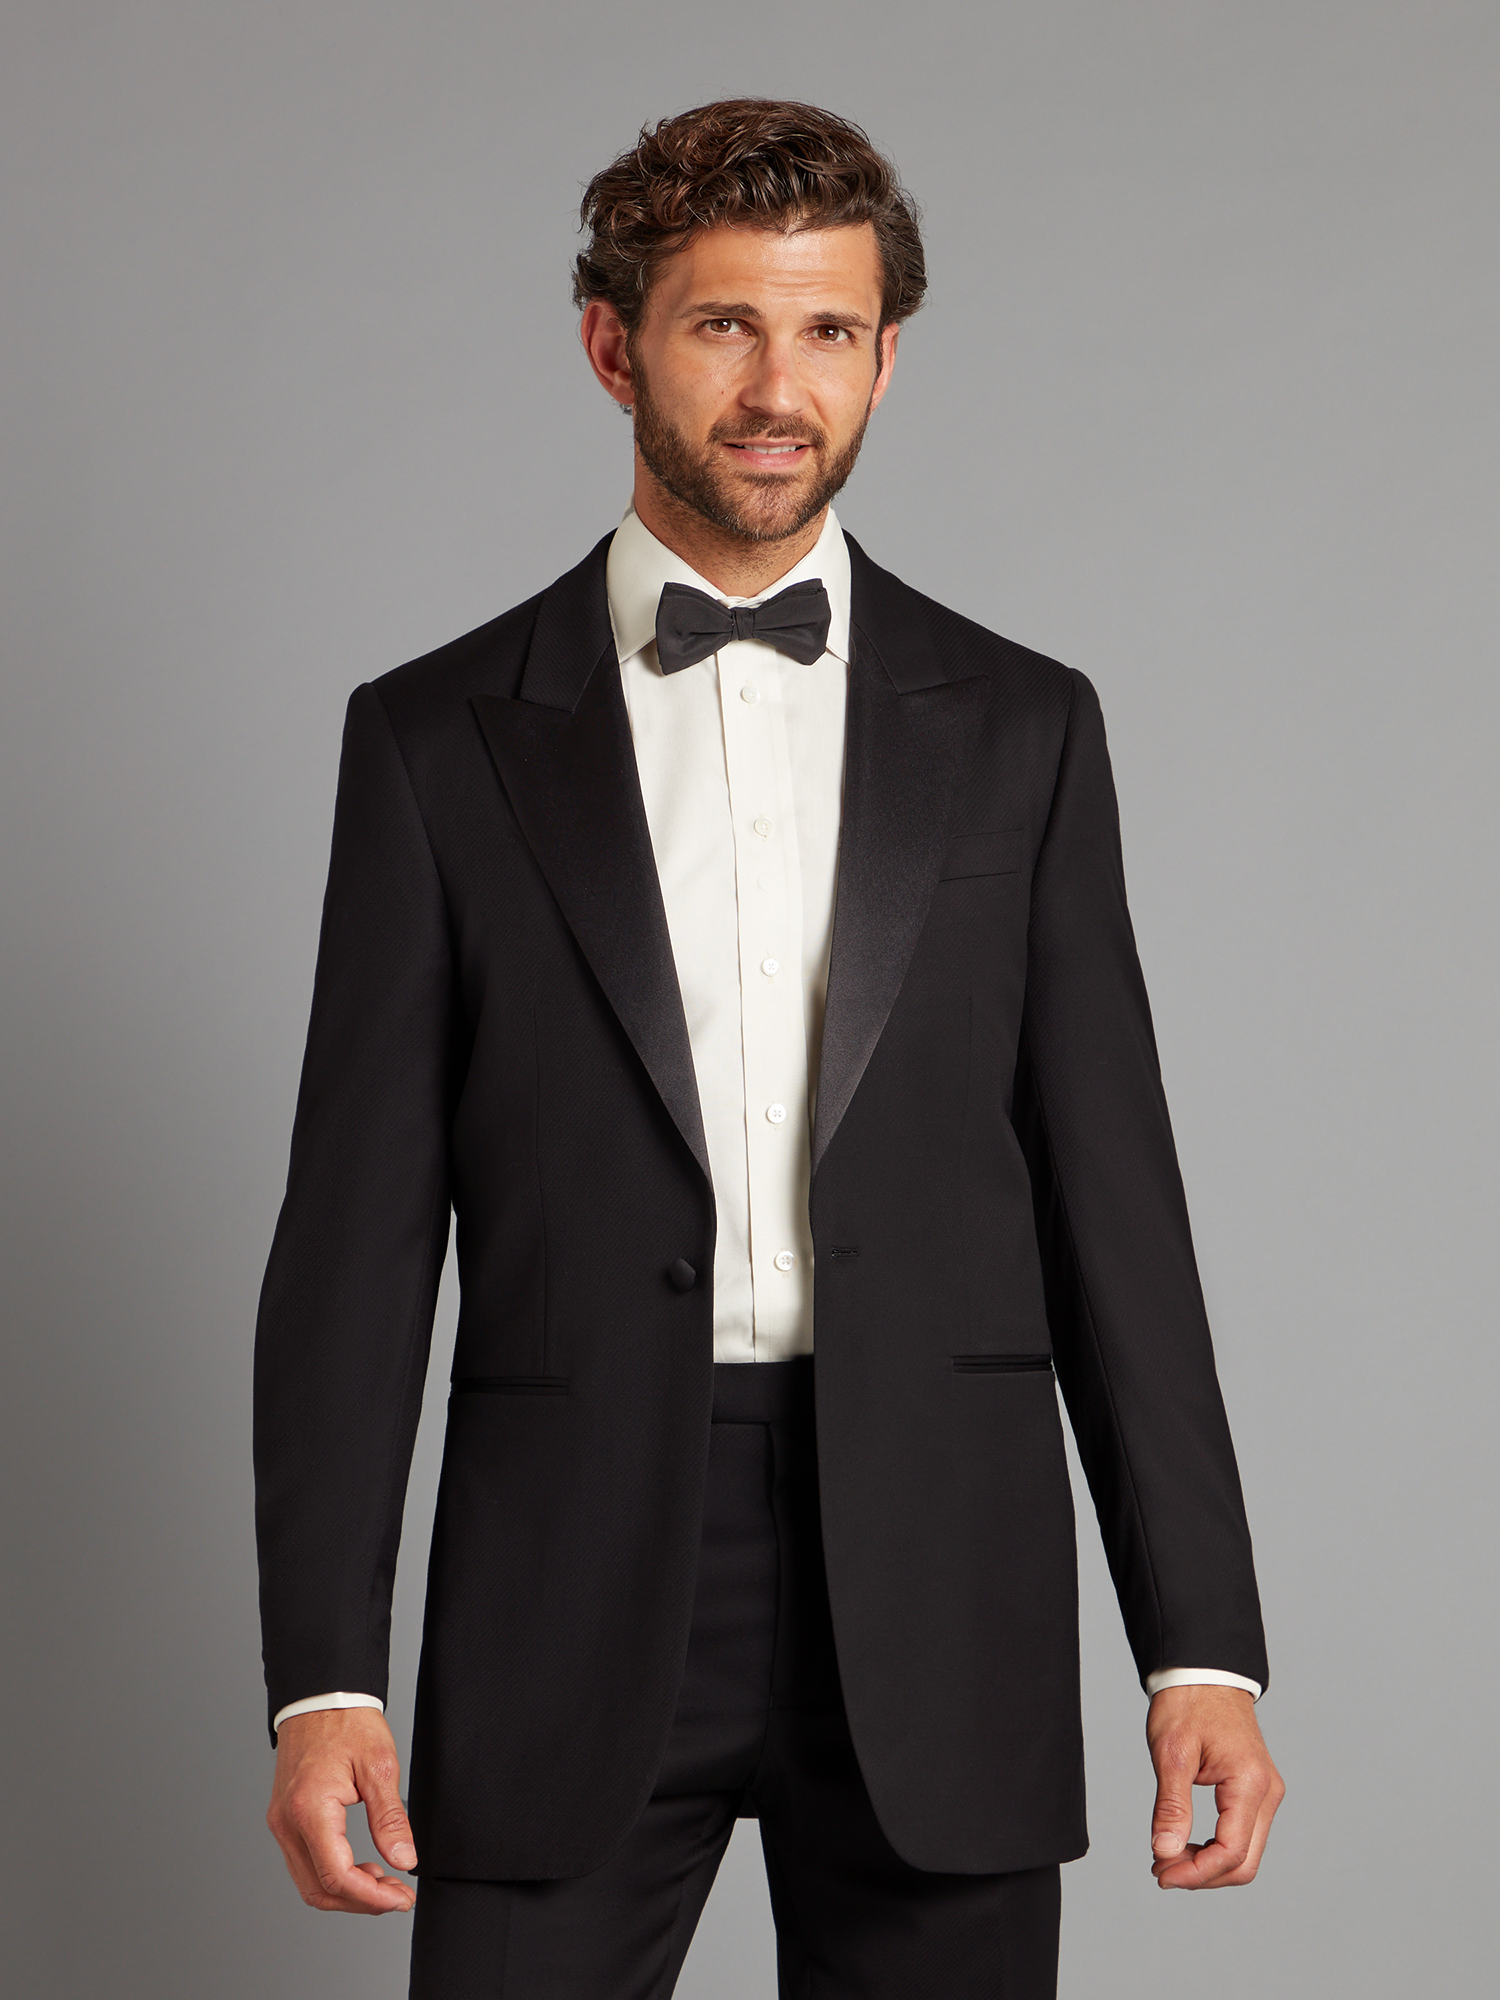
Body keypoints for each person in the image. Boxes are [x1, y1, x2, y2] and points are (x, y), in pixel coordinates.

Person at [255, 97, 1283, 1999]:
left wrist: (1200, 1645)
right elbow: (354, 1250)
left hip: (942, 1563)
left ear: (887, 356)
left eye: (828, 330)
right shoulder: (431, 742)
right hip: (570, 1581)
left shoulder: (1027, 729)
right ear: (612, 344)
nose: (777, 388)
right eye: (723, 323)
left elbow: (1117, 1211)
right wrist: (324, 1679)